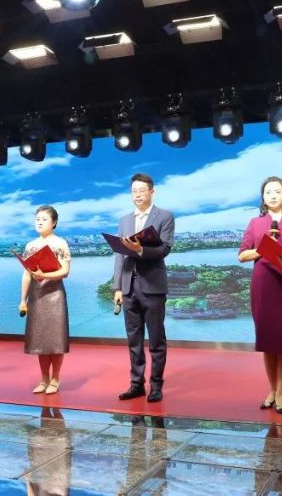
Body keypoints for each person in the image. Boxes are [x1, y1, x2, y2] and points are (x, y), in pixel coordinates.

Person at [238, 176, 282, 414]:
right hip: (263, 284)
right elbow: (242, 255)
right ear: (263, 198)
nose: (273, 196)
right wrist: (262, 249)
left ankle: (280, 393)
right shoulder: (255, 223)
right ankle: (271, 389)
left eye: (277, 191)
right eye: (268, 192)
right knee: (268, 343)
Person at [113, 173, 175, 403]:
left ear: (152, 192)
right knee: (133, 339)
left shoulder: (165, 216)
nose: (137, 195)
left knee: (156, 339)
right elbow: (119, 256)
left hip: (153, 286)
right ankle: (136, 384)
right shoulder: (124, 220)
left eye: (141, 190)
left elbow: (164, 249)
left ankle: (156, 385)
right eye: (134, 191)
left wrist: (140, 249)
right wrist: (117, 287)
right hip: (128, 286)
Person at [18, 205, 71, 395]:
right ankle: (44, 379)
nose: (39, 222)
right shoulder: (30, 246)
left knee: (55, 339)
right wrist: (23, 299)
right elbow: (27, 274)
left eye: (44, 219)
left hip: (55, 295)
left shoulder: (61, 243)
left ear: (54, 222)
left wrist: (44, 275)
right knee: (40, 340)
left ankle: (55, 379)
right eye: (37, 219)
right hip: (37, 296)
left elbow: (65, 271)